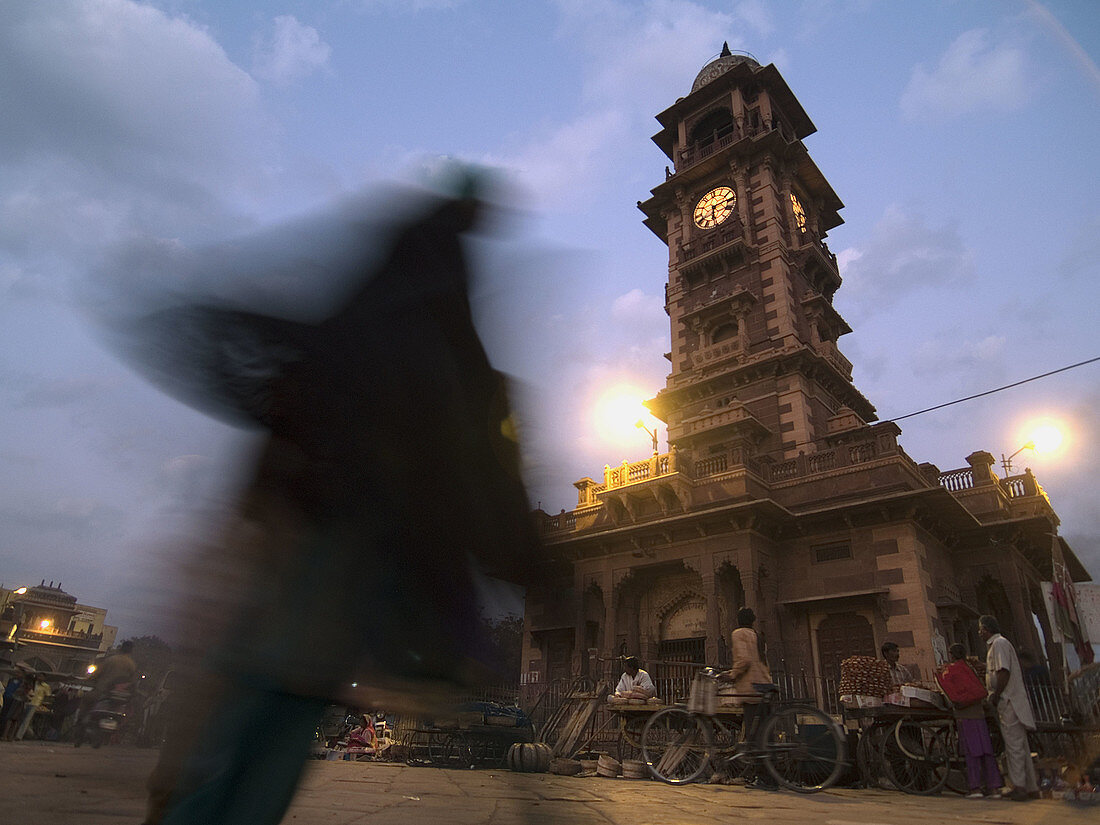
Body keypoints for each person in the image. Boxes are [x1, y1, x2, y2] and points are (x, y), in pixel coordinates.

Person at [978, 614, 1038, 801]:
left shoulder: (999, 644)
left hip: (1008, 700)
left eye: (980, 629)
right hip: (1010, 700)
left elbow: (1003, 671)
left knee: (1014, 746)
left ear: (986, 629)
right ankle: (1031, 787)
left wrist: (996, 695)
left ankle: (1019, 786)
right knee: (1021, 745)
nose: (979, 632)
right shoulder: (998, 645)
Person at [720, 607, 774, 789]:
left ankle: (764, 778)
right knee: (767, 735)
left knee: (755, 735)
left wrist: (732, 674)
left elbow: (744, 660)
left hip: (751, 690)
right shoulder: (757, 635)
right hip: (765, 684)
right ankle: (771, 777)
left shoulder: (739, 634)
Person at [942, 644, 1003, 798]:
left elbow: (951, 694)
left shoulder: (952, 670)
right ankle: (994, 787)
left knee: (971, 752)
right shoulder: (971, 668)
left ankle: (975, 788)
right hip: (979, 714)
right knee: (986, 750)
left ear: (951, 654)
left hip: (965, 715)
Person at [15, 673, 51, 740]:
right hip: (26, 701)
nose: (39, 677)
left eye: (41, 676)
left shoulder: (46, 686)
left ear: (44, 678)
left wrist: (42, 703)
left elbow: (48, 696)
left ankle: (19, 736)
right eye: (39, 676)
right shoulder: (33, 683)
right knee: (20, 718)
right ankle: (19, 733)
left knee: (26, 720)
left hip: (35, 703)